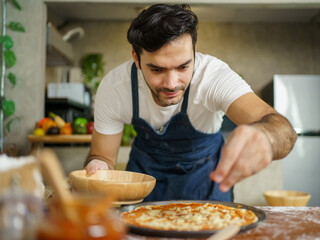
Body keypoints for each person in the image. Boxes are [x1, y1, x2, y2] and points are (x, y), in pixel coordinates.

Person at [84, 4, 297, 202]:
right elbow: (102, 156)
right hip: (144, 186)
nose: (171, 83)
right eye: (157, 69)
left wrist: (267, 137)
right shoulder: (114, 88)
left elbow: (283, 130)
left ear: (194, 54)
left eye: (183, 67)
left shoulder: (213, 76)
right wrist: (98, 167)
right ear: (136, 59)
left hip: (206, 184)